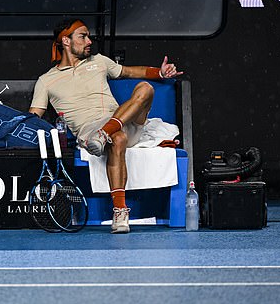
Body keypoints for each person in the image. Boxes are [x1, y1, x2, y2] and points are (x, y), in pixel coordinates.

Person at [28, 19, 183, 234]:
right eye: (83, 36)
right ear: (66, 41)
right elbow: (33, 118)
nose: (89, 41)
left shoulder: (99, 61)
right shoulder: (46, 81)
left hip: (124, 121)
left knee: (146, 88)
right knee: (117, 139)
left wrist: (160, 73)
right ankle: (120, 211)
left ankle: (105, 133)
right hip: (90, 132)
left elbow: (130, 72)